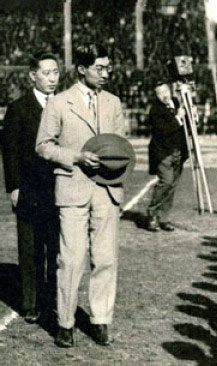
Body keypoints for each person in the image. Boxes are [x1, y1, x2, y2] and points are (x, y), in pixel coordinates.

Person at [36, 43, 125, 348]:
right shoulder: (58, 103)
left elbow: (121, 147)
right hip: (72, 188)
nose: (105, 74)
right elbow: (44, 146)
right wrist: (76, 157)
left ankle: (101, 320)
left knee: (105, 259)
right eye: (99, 68)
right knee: (71, 259)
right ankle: (65, 323)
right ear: (82, 69)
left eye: (108, 68)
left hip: (107, 190)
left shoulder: (114, 103)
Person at [2, 50, 60, 323]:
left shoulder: (62, 106)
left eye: (55, 72)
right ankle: (31, 303)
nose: (52, 78)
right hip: (29, 189)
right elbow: (9, 150)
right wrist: (13, 187)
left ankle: (53, 299)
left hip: (59, 189)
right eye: (46, 73)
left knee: (56, 249)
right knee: (30, 248)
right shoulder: (19, 108)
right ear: (32, 76)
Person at [147, 81, 188, 232]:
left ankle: (164, 218)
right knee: (166, 182)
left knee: (172, 186)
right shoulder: (155, 110)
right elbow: (163, 130)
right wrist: (178, 117)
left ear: (170, 90)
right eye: (160, 93)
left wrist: (191, 114)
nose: (164, 95)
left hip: (179, 151)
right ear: (156, 95)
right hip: (163, 152)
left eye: (165, 91)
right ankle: (152, 214)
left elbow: (186, 125)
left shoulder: (177, 102)